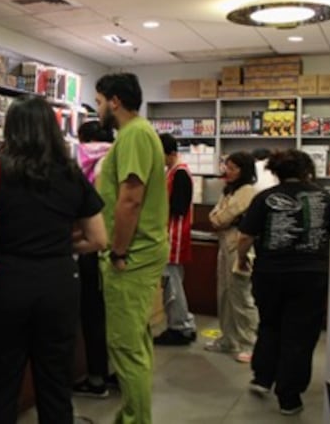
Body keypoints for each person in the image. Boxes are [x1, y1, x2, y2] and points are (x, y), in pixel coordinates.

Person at [0, 95, 107, 424]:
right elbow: (98, 239)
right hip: (58, 285)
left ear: (11, 129)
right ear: (51, 129)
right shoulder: (70, 174)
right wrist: (61, 247)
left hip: (5, 286)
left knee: (2, 383)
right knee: (54, 385)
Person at [237, 149, 330, 416]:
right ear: (307, 171)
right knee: (300, 335)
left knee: (270, 324)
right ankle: (289, 396)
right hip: (311, 275)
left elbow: (245, 237)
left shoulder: (264, 198)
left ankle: (262, 377)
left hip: (270, 273)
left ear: (276, 172)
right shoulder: (325, 198)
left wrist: (241, 260)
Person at [94, 73, 169, 424]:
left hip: (132, 257)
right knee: (135, 343)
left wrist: (119, 252)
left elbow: (130, 200)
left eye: (98, 101)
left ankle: (136, 420)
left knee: (125, 347)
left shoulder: (135, 134)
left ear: (114, 101)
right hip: (138, 253)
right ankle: (132, 416)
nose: (97, 110)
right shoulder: (135, 134)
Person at [73, 119, 117, 397]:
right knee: (117, 315)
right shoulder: (119, 158)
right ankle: (119, 373)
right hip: (119, 245)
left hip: (87, 245)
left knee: (91, 313)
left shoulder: (77, 160)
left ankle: (95, 376)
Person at [206, 152, 259, 363]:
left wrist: (222, 217)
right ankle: (228, 339)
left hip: (240, 247)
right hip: (224, 244)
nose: (227, 171)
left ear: (244, 170)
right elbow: (215, 216)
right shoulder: (229, 190)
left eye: (233, 167)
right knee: (224, 294)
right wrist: (221, 217)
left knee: (241, 296)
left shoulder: (247, 192)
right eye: (227, 166)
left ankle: (250, 343)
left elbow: (223, 217)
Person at [153, 133, 197, 346]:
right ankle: (181, 323)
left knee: (173, 283)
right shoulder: (172, 171)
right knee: (173, 281)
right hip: (171, 234)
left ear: (169, 153)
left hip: (175, 235)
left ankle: (180, 327)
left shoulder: (180, 173)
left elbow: (178, 207)